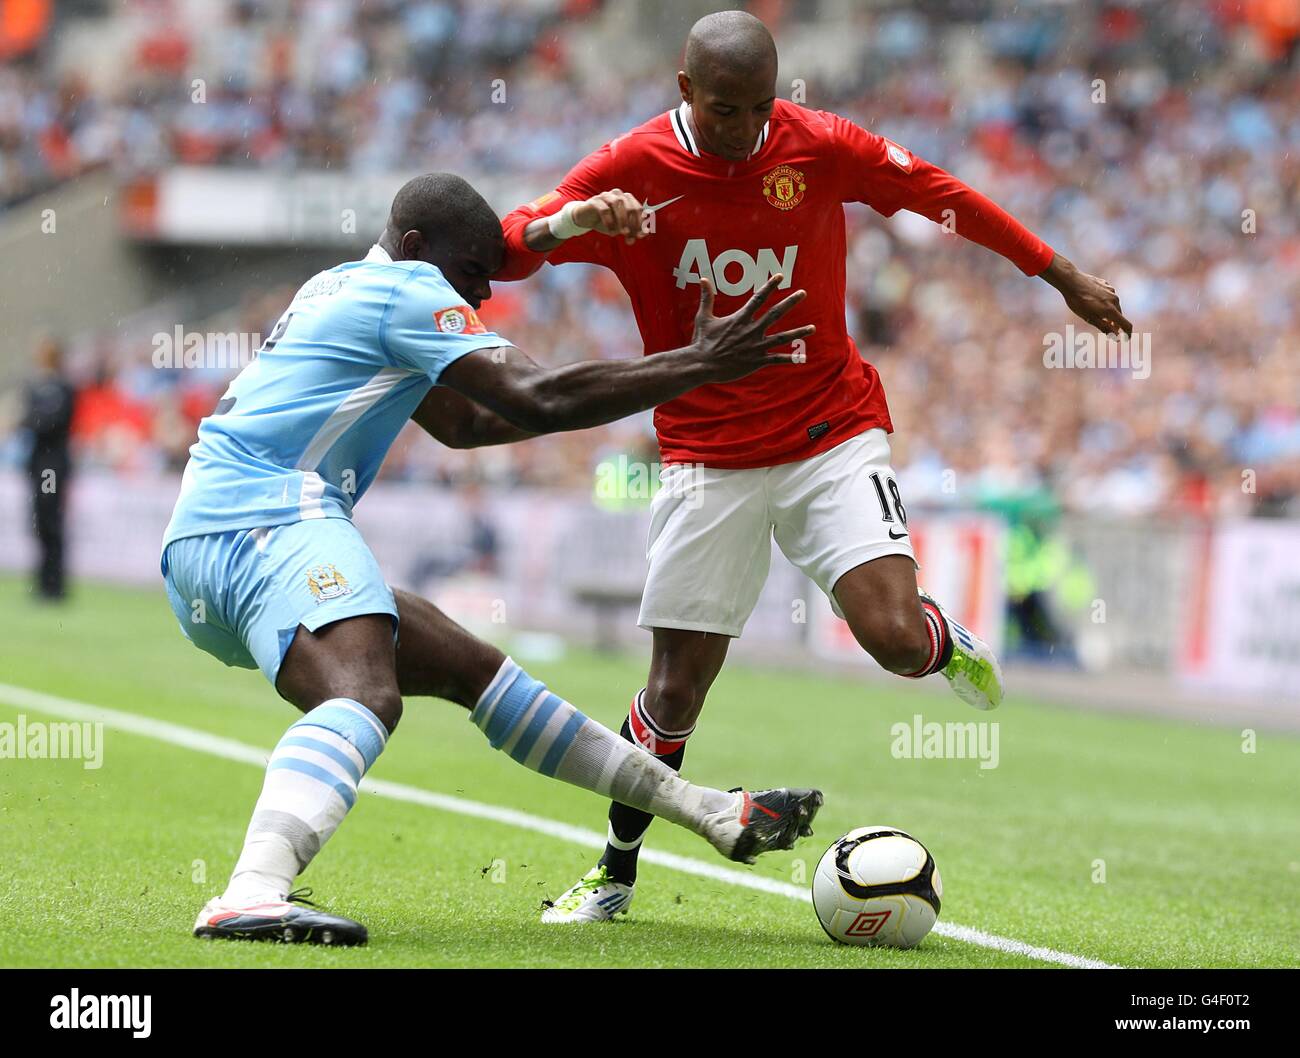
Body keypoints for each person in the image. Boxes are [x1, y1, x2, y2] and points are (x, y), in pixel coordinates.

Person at [491, 10, 1132, 922]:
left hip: (830, 430)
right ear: (684, 91)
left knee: (896, 641)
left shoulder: (818, 146)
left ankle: (943, 639)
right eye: (723, 110)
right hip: (706, 454)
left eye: (759, 108)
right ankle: (615, 875)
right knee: (674, 692)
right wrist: (572, 223)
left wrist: (1055, 270)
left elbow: (939, 194)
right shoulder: (629, 170)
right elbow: (510, 247)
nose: (745, 130)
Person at [162, 172, 823, 945]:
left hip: (208, 537)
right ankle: (252, 891)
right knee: (365, 695)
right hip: (267, 512)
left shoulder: (341, 285)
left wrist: (627, 396)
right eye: (473, 273)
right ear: (417, 249)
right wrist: (698, 363)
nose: (479, 296)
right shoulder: (408, 291)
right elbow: (535, 395)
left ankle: (707, 812)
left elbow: (470, 421)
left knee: (473, 668)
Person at [21, 338, 76, 601]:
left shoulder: (61, 387)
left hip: (51, 466)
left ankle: (54, 586)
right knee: (40, 522)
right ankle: (44, 583)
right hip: (39, 463)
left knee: (51, 521)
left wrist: (32, 420)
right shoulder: (37, 386)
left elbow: (49, 422)